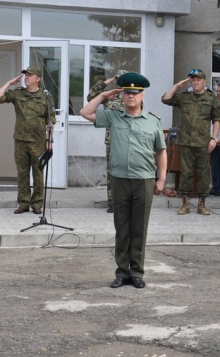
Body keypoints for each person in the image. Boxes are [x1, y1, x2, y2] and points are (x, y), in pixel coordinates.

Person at [79, 72, 167, 289]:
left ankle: (136, 273)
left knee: (139, 229)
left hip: (144, 180)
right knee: (122, 228)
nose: (131, 96)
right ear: (123, 95)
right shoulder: (113, 117)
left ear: (142, 96)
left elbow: (161, 151)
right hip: (119, 180)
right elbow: (84, 112)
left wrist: (162, 178)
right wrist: (103, 96)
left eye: (135, 93)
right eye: (127, 93)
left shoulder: (153, 121)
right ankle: (121, 272)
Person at [0, 67, 55, 215]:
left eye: (29, 75)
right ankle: (24, 203)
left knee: (38, 174)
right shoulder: (19, 93)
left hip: (38, 141)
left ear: (37, 79)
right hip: (21, 140)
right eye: (25, 75)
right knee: (22, 173)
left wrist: (49, 140)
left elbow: (51, 120)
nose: (26, 77)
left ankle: (37, 204)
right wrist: (9, 83)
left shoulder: (45, 96)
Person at [162, 69, 220, 215]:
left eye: (198, 80)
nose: (195, 82)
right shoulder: (184, 97)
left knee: (203, 174)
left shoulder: (211, 99)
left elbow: (217, 119)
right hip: (186, 142)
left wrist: (214, 138)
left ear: (204, 81)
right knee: (186, 173)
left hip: (203, 143)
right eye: (193, 80)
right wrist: (177, 86)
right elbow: (165, 99)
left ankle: (202, 205)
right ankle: (185, 204)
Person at [87, 71, 126, 213]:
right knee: (112, 172)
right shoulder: (110, 96)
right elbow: (91, 96)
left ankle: (125, 201)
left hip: (128, 139)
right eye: (118, 79)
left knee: (127, 170)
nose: (120, 82)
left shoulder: (132, 96)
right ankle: (112, 202)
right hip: (112, 139)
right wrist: (107, 82)